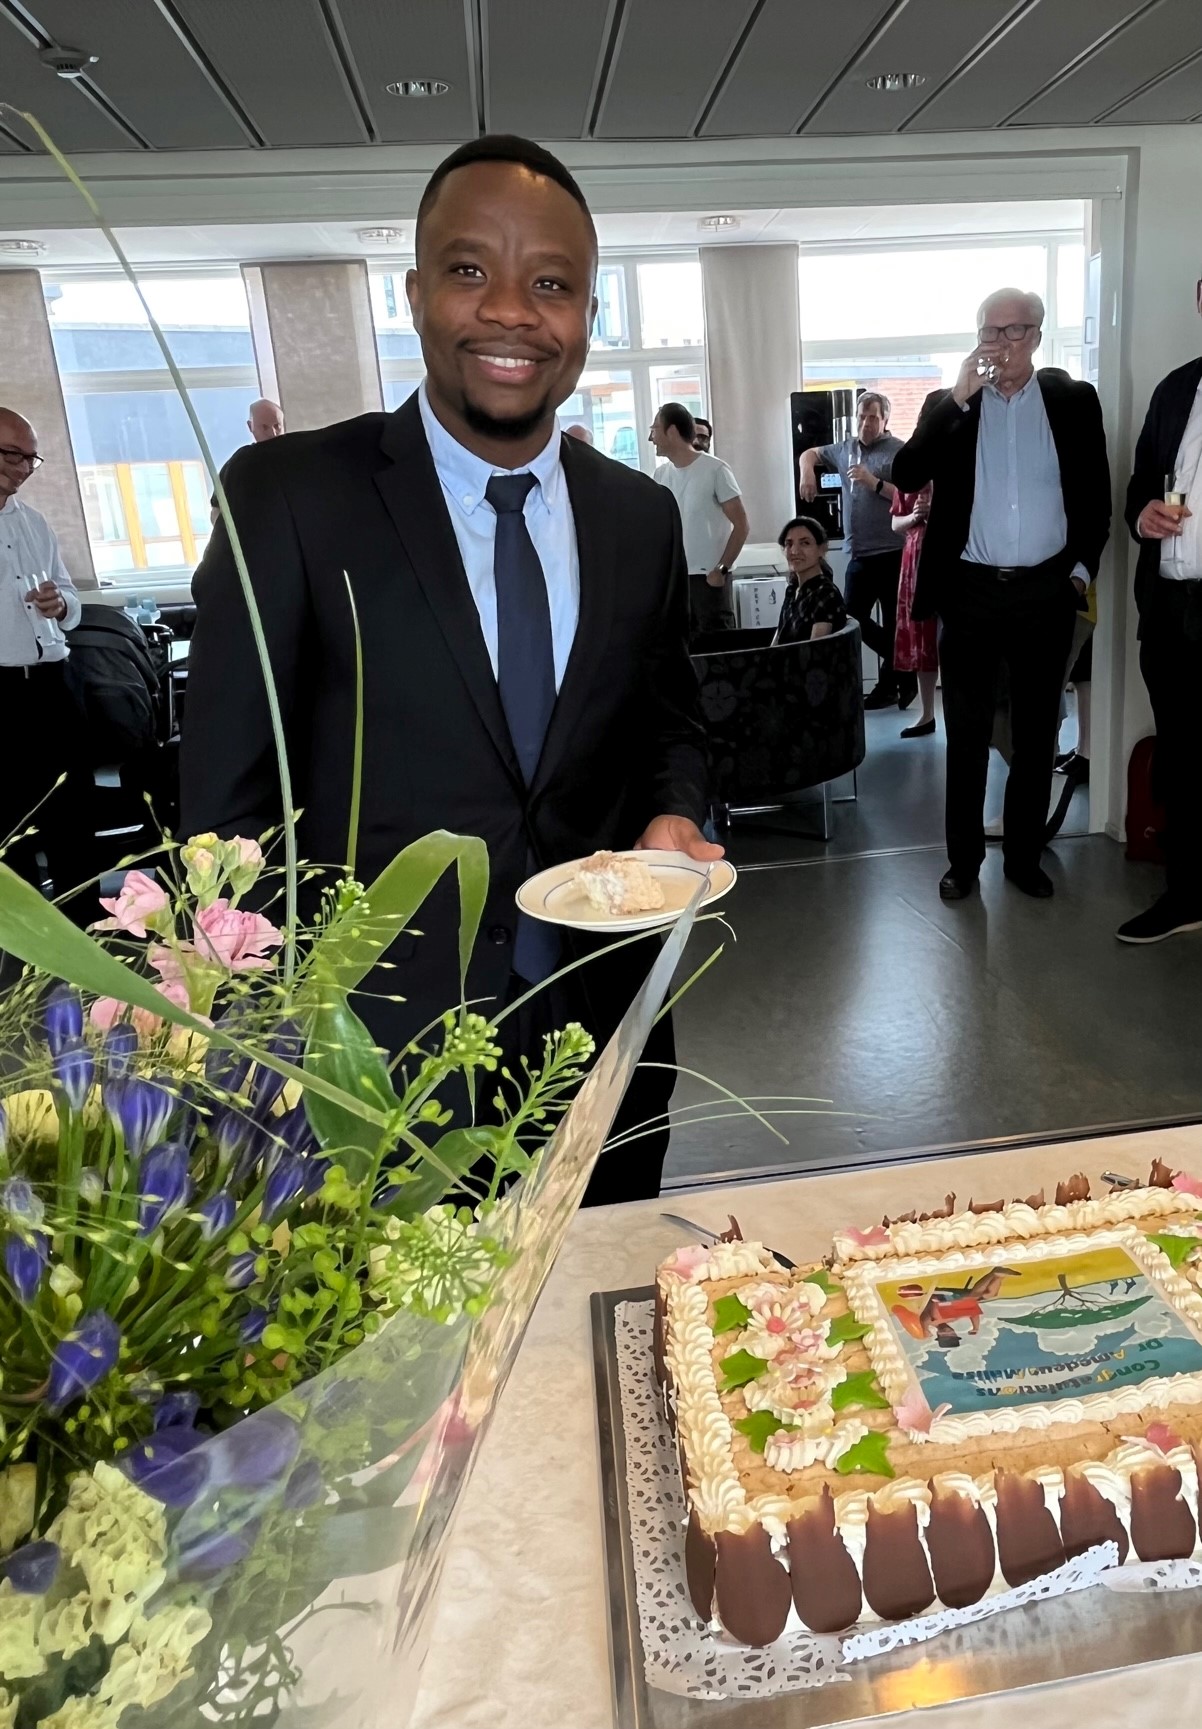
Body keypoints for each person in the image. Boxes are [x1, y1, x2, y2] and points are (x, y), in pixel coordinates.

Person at [181, 134, 719, 1206]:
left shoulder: (638, 517)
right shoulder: (290, 499)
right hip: (367, 1064)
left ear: (588, 314)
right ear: (416, 292)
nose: (512, 311)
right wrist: (262, 1052)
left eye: (551, 284)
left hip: (602, 1040)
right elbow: (226, 814)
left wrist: (673, 813)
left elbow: (669, 720)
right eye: (470, 270)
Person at [892, 288, 1110, 902]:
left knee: (1037, 735)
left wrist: (1079, 575)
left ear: (1036, 336)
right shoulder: (951, 405)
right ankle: (962, 863)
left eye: (1013, 331)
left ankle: (1023, 857)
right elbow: (906, 474)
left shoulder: (1072, 401)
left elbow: (1096, 497)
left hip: (1046, 591)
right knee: (965, 736)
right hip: (970, 592)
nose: (999, 344)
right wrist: (955, 400)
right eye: (989, 331)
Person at [1117, 273, 1202, 943]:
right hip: (1171, 607)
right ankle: (1187, 894)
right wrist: (1142, 514)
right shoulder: (1177, 389)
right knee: (1182, 758)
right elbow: (1140, 485)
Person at [0, 407, 94, 919]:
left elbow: (70, 597)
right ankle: (29, 938)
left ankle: (91, 930)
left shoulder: (34, 522)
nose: (22, 468)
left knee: (73, 813)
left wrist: (61, 604)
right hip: (3, 690)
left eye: (30, 459)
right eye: (12, 455)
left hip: (56, 682)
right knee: (11, 824)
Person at [798, 392, 915, 709]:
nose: (866, 423)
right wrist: (807, 473)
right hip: (859, 553)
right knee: (850, 617)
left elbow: (909, 499)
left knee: (894, 624)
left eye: (873, 417)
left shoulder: (899, 451)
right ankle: (904, 668)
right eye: (862, 416)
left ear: (885, 419)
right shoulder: (845, 448)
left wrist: (874, 482)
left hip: (893, 552)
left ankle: (889, 687)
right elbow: (810, 453)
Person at [650, 402, 749, 636]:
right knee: (680, 645)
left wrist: (721, 569)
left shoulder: (716, 470)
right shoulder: (660, 475)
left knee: (718, 645)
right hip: (676, 580)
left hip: (708, 580)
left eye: (654, 429)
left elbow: (742, 525)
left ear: (672, 431)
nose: (651, 438)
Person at [891, 483, 939, 738]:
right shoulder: (908, 481)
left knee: (956, 639)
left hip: (952, 558)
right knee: (922, 638)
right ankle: (927, 713)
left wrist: (934, 513)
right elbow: (895, 524)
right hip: (915, 562)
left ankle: (972, 719)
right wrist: (915, 516)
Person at [771, 516, 847, 645]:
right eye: (789, 544)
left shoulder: (825, 593)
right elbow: (778, 639)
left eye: (805, 543)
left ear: (822, 549)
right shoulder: (792, 589)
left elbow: (814, 650)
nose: (794, 551)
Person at [210, 398, 287, 524]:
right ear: (250, 426)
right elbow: (216, 510)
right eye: (264, 427)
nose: (273, 433)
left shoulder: (297, 459)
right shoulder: (238, 465)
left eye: (277, 426)